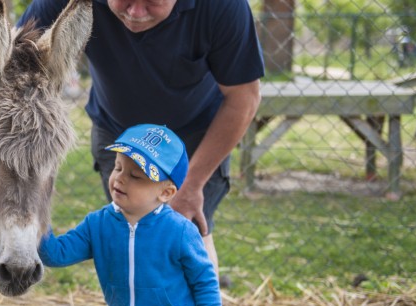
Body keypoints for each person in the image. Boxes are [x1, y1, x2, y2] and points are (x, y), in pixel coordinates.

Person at [18, 0, 265, 285]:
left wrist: (191, 186)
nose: (135, 13)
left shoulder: (223, 6)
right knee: (133, 235)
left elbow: (243, 98)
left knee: (187, 235)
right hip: (120, 133)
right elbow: (15, 63)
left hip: (195, 136)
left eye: (151, 1)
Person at [38, 124, 222, 306]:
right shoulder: (98, 224)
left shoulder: (180, 232)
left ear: (166, 193)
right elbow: (56, 254)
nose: (120, 179)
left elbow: (205, 283)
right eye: (118, 167)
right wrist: (37, 217)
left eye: (136, 176)